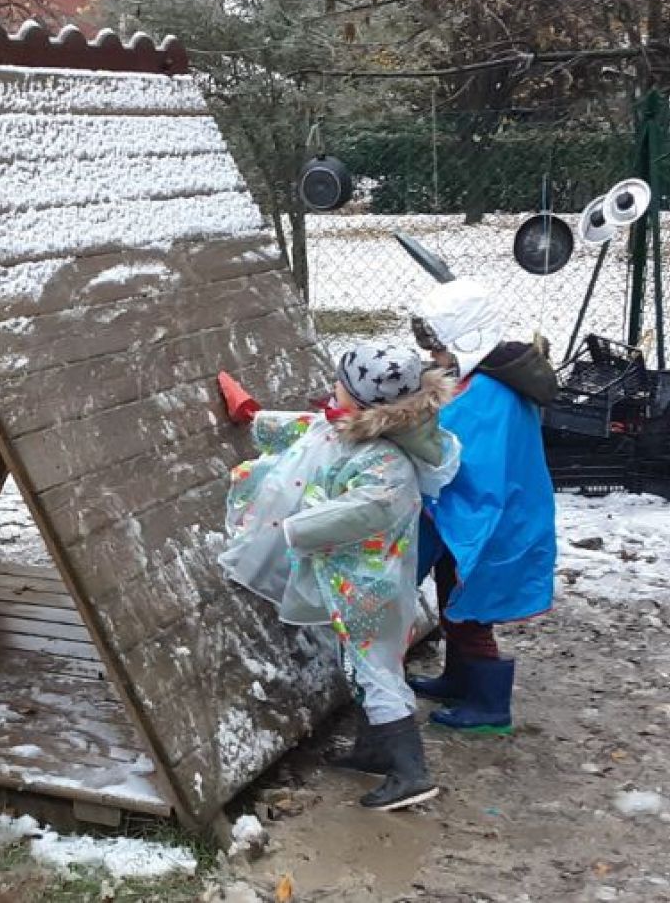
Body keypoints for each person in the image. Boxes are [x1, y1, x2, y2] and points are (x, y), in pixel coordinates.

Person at [217, 343, 459, 811]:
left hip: (371, 583)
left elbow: (363, 511)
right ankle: (373, 750)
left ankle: (411, 772)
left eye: (340, 384)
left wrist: (295, 526)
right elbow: (308, 432)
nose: (333, 388)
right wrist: (252, 414)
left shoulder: (384, 459)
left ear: (362, 398)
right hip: (352, 578)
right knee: (362, 662)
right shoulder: (354, 428)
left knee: (376, 668)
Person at [407, 279, 559, 735]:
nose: (435, 360)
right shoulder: (492, 378)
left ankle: (490, 705)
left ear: (466, 339)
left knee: (471, 607)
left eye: (440, 350)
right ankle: (459, 678)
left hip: (494, 522)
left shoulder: (488, 394)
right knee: (453, 589)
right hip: (491, 516)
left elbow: (457, 452)